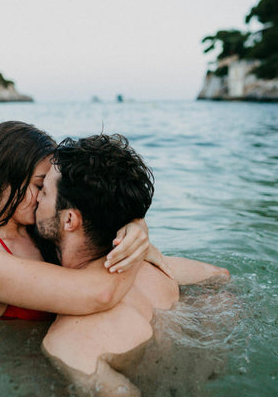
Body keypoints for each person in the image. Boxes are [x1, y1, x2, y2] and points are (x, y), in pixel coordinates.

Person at [37, 134, 230, 395]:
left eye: (45, 191)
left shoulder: (70, 342)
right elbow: (221, 276)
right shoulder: (157, 268)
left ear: (70, 220)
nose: (36, 198)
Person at [0, 121, 157, 321]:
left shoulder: (39, 225)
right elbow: (99, 294)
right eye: (39, 185)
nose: (43, 197)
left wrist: (134, 224)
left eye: (48, 186)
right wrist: (133, 251)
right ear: (0, 181)